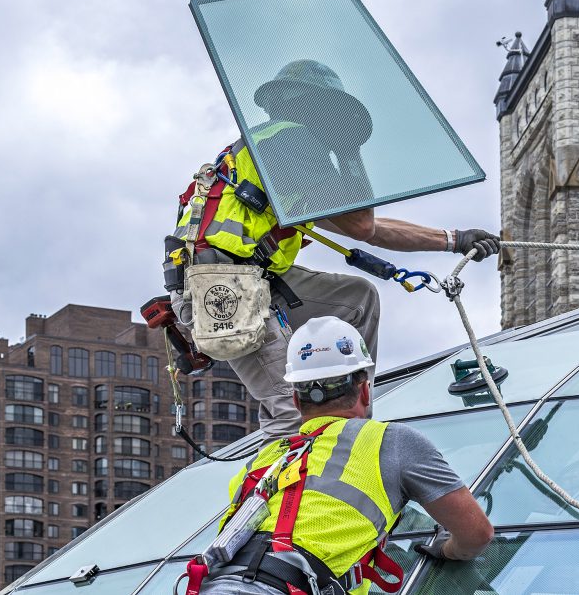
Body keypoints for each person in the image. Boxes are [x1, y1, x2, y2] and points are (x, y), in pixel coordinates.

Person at [167, 59, 500, 437]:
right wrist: (348, 152)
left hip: (252, 275)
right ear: (318, 109)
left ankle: (354, 411)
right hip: (223, 288)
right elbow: (362, 225)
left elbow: (367, 230)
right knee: (289, 415)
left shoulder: (268, 153)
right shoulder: (291, 142)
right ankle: (279, 489)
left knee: (358, 298)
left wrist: (453, 240)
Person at [198, 317, 493, 594]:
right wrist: (447, 550)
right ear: (365, 391)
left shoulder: (263, 461)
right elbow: (476, 534)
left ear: (296, 400)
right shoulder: (391, 442)